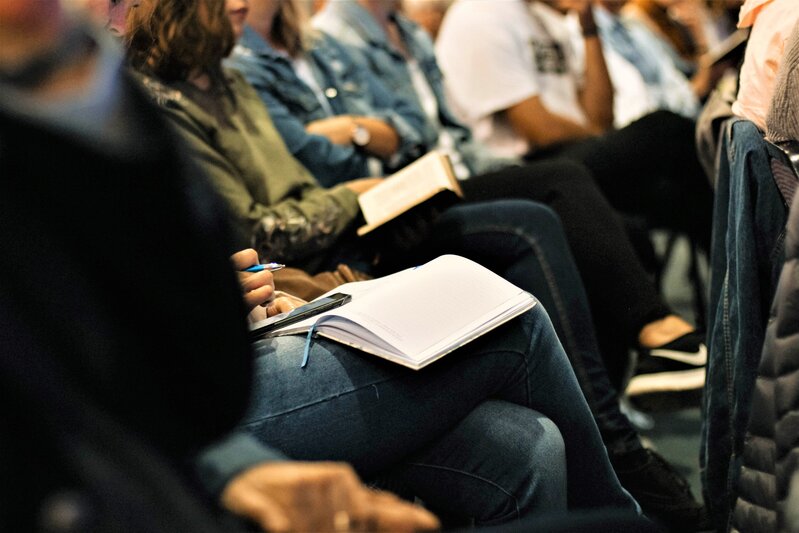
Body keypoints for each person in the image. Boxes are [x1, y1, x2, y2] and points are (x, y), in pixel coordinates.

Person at [116, 0, 648, 525]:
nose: (243, 3)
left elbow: (377, 141)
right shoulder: (145, 102)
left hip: (265, 318)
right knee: (512, 315)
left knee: (533, 448)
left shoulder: (225, 83)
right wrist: (355, 191)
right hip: (201, 385)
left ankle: (623, 461)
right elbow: (251, 232)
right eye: (118, 3)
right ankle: (628, 491)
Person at [0, 1, 440, 531]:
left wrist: (228, 466)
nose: (241, 5)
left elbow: (183, 369)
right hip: (136, 462)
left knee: (517, 442)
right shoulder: (147, 97)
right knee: (515, 329)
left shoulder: (203, 86)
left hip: (182, 418)